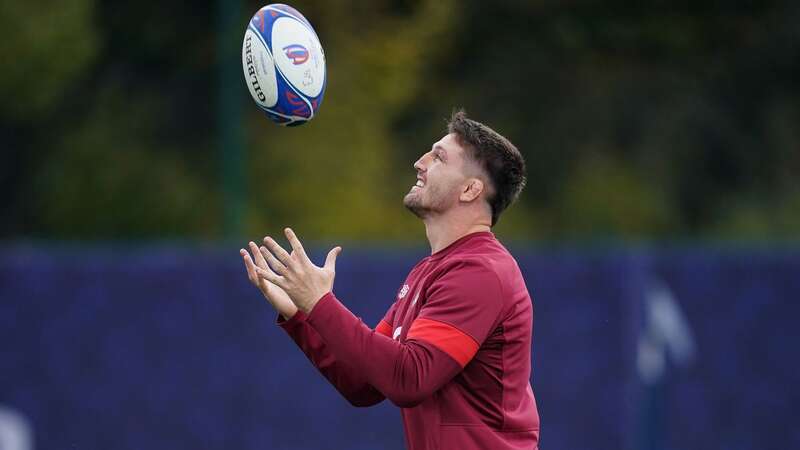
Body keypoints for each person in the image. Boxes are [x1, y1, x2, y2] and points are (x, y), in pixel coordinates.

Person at [240, 111, 540, 449]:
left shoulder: (481, 271)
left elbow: (408, 379)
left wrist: (320, 304)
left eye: (438, 157)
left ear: (471, 190)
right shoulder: (432, 270)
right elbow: (362, 383)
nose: (419, 162)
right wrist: (301, 315)